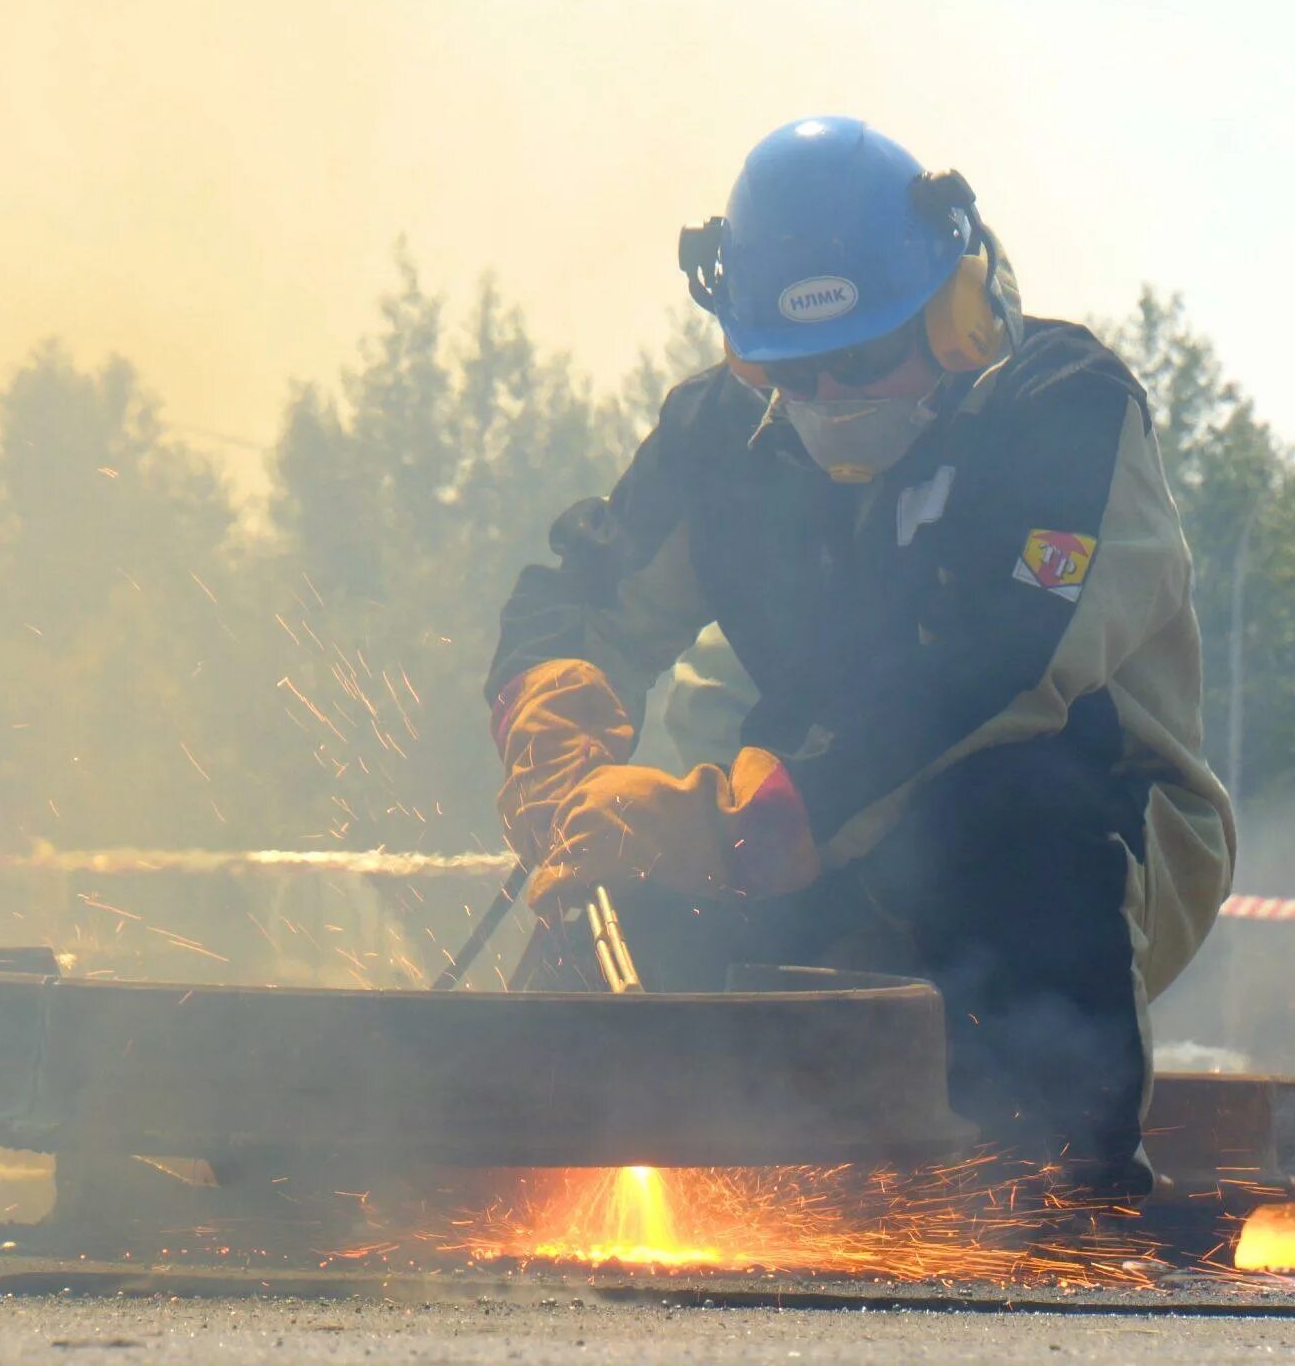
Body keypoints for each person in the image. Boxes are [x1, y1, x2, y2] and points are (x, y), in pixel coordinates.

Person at [486, 117, 1234, 1197]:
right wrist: (562, 768)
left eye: (864, 359)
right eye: (798, 369)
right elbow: (578, 604)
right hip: (799, 831)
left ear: (955, 314)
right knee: (614, 896)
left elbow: (1000, 666)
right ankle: (509, 1174)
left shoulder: (1062, 410)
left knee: (1007, 813)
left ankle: (1059, 1196)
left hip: (1091, 848)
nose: (831, 401)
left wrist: (745, 821)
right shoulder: (719, 438)